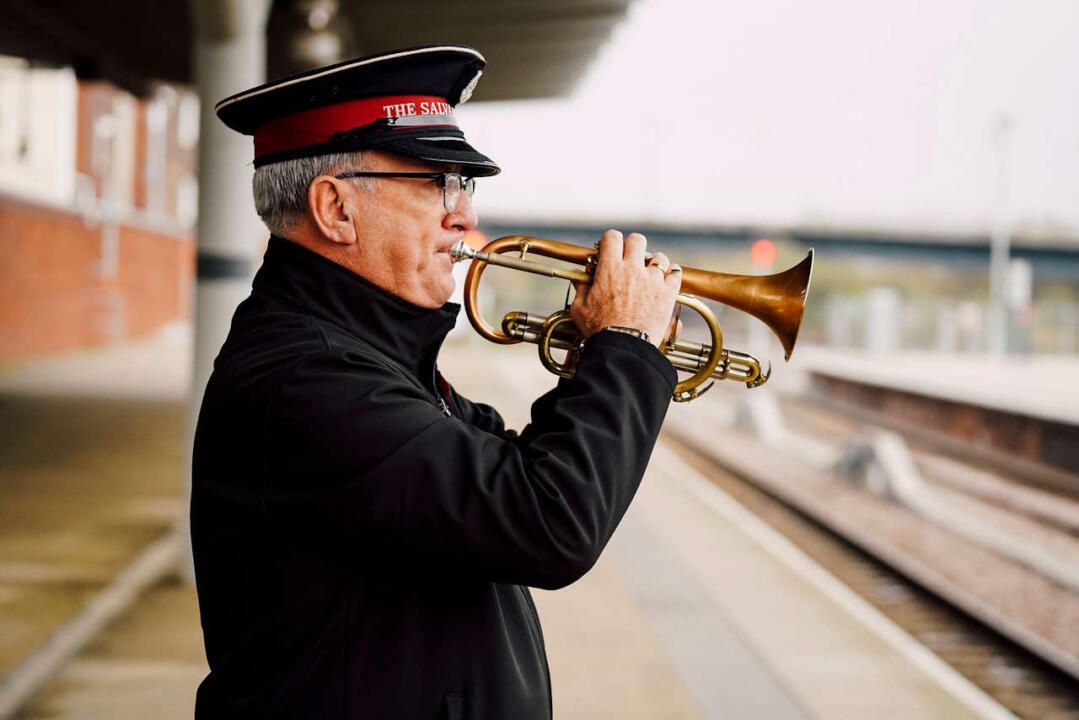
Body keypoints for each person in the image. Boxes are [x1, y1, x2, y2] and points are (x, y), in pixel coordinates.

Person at [191, 45, 682, 719]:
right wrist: (623, 348)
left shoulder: (372, 356)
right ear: (335, 208)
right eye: (435, 184)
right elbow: (548, 521)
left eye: (462, 186)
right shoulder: (306, 378)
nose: (464, 218)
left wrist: (596, 353)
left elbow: (512, 473)